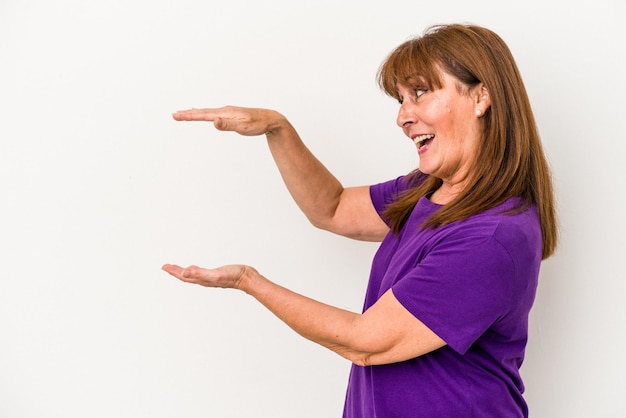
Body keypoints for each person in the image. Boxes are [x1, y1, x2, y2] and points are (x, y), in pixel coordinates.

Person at [162, 23, 558, 418]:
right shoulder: (427, 190)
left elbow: (366, 342)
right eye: (401, 100)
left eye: (419, 92)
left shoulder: (492, 237)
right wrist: (277, 129)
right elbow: (332, 208)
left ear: (481, 96)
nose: (403, 116)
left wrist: (248, 281)